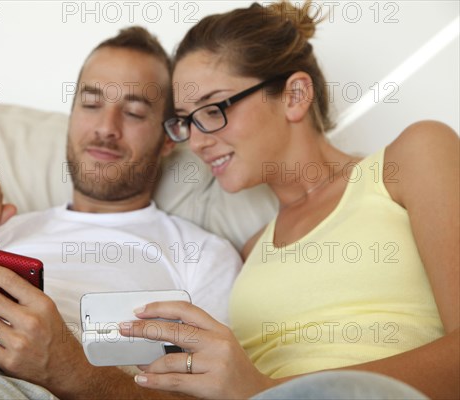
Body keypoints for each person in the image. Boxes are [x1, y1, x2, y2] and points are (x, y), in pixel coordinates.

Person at [0, 27, 243, 399]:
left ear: (167, 138)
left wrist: (70, 371)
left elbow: (207, 395)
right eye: (91, 104)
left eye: (134, 112)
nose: (105, 128)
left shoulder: (203, 255)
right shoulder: (0, 232)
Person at [119, 2, 459, 399]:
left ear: (295, 95)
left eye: (212, 110)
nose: (196, 141)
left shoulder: (412, 158)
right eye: (187, 120)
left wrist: (265, 389)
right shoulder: (252, 250)